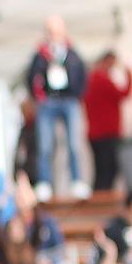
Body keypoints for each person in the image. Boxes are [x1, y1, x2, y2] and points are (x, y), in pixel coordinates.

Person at [26, 16, 89, 201]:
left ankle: (77, 181)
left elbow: (82, 75)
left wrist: (76, 94)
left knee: (74, 144)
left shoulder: (72, 52)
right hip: (48, 101)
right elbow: (31, 77)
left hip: (69, 100)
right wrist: (39, 96)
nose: (55, 35)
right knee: (44, 144)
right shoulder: (40, 54)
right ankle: (44, 183)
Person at [83, 51, 132, 193]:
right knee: (109, 170)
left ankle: (99, 201)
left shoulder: (90, 81)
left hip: (95, 134)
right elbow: (124, 93)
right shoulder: (101, 79)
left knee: (101, 171)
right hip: (107, 133)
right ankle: (102, 200)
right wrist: (129, 73)